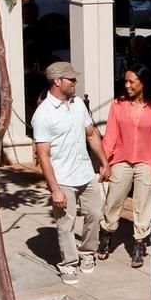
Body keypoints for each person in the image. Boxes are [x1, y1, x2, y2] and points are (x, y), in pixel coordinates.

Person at [30, 61, 107, 284]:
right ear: (57, 81)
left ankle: (87, 253)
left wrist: (104, 162)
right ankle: (69, 264)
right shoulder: (43, 114)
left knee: (95, 213)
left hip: (85, 172)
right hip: (63, 178)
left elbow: (91, 135)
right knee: (66, 223)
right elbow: (43, 155)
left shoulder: (78, 104)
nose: (75, 82)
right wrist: (54, 189)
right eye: (71, 79)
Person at [100, 66, 151, 268]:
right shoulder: (118, 105)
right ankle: (106, 233)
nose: (127, 85)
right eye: (126, 81)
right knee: (114, 199)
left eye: (132, 81)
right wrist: (104, 163)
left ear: (143, 82)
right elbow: (110, 135)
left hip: (147, 161)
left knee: (144, 202)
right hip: (121, 159)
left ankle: (139, 242)